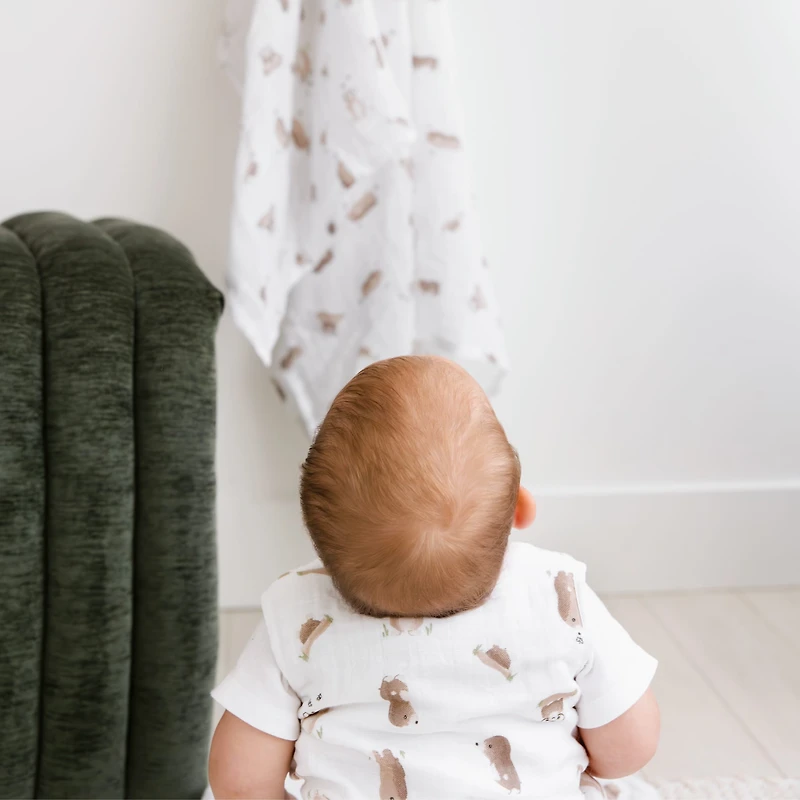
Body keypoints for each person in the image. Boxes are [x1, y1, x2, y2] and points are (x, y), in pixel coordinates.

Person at [209, 356, 659, 799]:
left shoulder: (295, 611)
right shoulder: (557, 591)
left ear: (315, 534)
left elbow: (241, 782)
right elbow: (627, 750)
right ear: (521, 509)